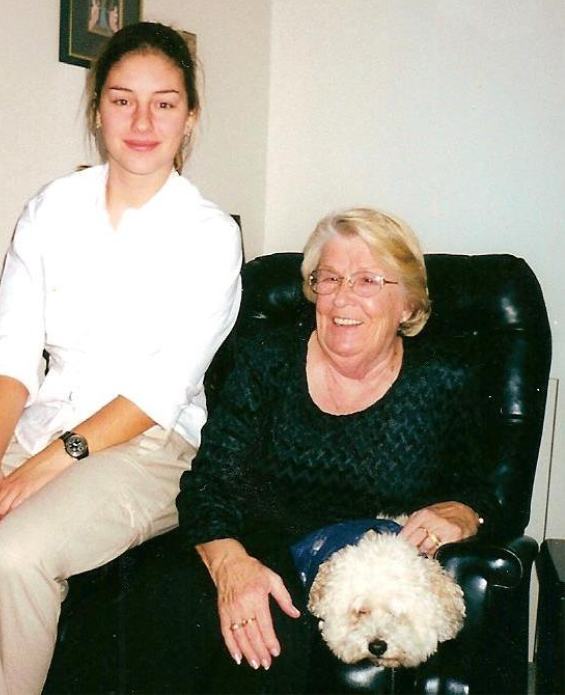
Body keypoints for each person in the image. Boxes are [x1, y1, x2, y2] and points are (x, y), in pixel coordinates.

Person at [0, 21, 242, 695]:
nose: (142, 121)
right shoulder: (52, 208)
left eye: (164, 103)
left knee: (17, 553)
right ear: (98, 110)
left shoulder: (209, 235)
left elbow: (160, 390)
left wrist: (38, 471)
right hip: (42, 427)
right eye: (122, 100)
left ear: (190, 117)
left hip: (150, 446)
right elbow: (12, 352)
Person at [130, 207, 500, 694]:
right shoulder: (267, 358)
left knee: (271, 639)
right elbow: (211, 480)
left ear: (408, 305)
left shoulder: (444, 379)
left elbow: (484, 492)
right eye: (329, 278)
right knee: (152, 605)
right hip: (243, 546)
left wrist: (462, 512)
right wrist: (230, 564)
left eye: (368, 280)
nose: (342, 297)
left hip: (349, 576)